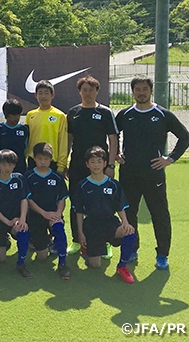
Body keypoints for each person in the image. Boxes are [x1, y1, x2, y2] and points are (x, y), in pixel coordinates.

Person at [115, 76, 189, 270]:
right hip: (129, 173)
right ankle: (132, 249)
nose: (141, 93)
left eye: (144, 89)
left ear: (151, 91)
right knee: (129, 213)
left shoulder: (163, 115)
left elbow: (185, 137)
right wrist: (115, 153)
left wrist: (170, 158)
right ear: (132, 91)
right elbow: (112, 134)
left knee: (160, 215)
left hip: (153, 174)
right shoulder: (125, 114)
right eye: (137, 89)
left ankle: (162, 254)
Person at [66, 75, 119, 256]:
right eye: (84, 90)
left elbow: (113, 139)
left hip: (99, 166)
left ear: (97, 91)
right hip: (77, 165)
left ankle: (105, 241)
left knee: (102, 202)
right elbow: (69, 139)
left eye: (91, 90)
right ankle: (76, 240)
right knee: (76, 203)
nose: (87, 93)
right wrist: (65, 162)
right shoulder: (73, 112)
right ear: (79, 92)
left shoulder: (105, 112)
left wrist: (110, 165)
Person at [75, 146, 137, 284]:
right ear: (87, 164)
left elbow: (120, 206)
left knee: (129, 232)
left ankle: (122, 267)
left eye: (99, 161)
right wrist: (80, 233)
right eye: (92, 162)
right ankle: (90, 248)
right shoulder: (82, 185)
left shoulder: (113, 184)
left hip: (110, 223)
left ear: (104, 163)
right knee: (95, 265)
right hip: (92, 226)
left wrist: (125, 222)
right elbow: (79, 211)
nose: (96, 165)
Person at [25, 142, 70, 280]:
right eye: (40, 159)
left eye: (46, 159)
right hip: (36, 217)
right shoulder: (28, 176)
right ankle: (44, 240)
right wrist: (43, 213)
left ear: (51, 159)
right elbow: (28, 200)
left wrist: (58, 214)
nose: (43, 162)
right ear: (34, 159)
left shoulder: (57, 177)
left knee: (58, 226)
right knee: (42, 257)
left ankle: (62, 263)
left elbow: (62, 198)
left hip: (53, 215)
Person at [0, 149, 31, 278]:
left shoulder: (19, 179)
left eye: (10, 164)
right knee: (0, 259)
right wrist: (7, 222)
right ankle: (4, 240)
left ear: (14, 165)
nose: (7, 168)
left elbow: (24, 199)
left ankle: (21, 263)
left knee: (22, 230)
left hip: (16, 219)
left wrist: (22, 219)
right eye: (4, 164)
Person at [25, 80, 68, 173]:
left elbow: (63, 142)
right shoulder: (30, 115)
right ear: (35, 95)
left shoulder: (60, 115)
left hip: (52, 161)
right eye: (40, 93)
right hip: (33, 160)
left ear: (52, 95)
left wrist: (61, 165)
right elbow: (26, 140)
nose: (43, 96)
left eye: (46, 93)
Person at [0, 99, 29, 174]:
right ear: (6, 115)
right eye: (14, 115)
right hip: (2, 167)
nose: (17, 117)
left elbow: (26, 147)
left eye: (19, 114)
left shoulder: (25, 129)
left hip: (20, 166)